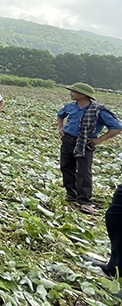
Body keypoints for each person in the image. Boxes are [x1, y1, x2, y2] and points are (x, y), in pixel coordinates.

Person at [57, 82, 121, 214]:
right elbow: (60, 115)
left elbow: (117, 127)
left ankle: (85, 201)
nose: (71, 93)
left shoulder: (99, 111)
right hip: (68, 140)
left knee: (84, 172)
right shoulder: (70, 106)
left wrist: (100, 139)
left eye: (73, 91)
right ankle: (71, 194)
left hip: (85, 144)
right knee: (66, 167)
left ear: (83, 94)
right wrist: (60, 127)